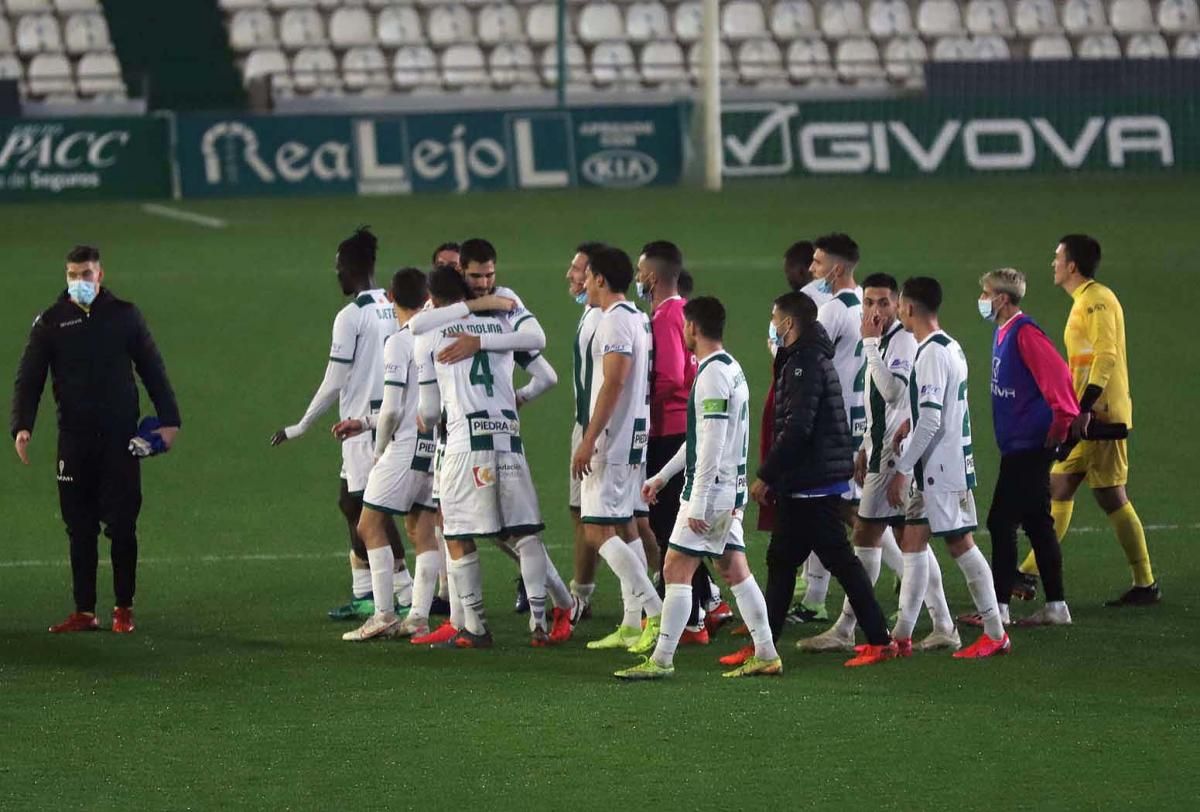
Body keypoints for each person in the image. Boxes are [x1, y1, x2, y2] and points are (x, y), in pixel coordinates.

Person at [404, 240, 575, 642]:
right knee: (523, 531)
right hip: (508, 437)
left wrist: (428, 417)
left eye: (490, 275)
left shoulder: (434, 328)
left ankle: (474, 625)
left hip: (465, 442)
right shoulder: (501, 312)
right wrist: (519, 396)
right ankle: (542, 616)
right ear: (462, 272)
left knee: (459, 532)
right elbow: (546, 373)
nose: (485, 283)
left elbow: (428, 409)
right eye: (477, 276)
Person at [11, 244, 180, 634]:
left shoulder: (124, 316)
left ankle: (124, 607)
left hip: (120, 439)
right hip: (74, 440)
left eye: (86, 274)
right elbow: (29, 378)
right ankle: (84, 610)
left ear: (100, 276)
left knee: (122, 525)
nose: (79, 282)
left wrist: (170, 420)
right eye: (72, 275)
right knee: (79, 526)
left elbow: (153, 369)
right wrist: (22, 425)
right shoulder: (50, 323)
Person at [619, 297, 781, 679]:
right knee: (734, 568)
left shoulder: (710, 376)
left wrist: (698, 503)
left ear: (691, 328)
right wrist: (662, 476)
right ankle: (767, 653)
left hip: (711, 493)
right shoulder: (730, 368)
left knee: (675, 567)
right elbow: (700, 438)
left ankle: (660, 661)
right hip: (729, 489)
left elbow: (710, 445)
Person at [800, 273, 958, 653]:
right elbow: (881, 405)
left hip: (894, 456)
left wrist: (870, 345)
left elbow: (893, 391)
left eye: (884, 303)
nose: (875, 310)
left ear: (898, 304)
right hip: (882, 450)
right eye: (869, 302)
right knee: (906, 538)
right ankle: (942, 624)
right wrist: (864, 446)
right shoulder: (887, 339)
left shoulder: (899, 340)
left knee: (868, 535)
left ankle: (847, 627)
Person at [270, 227, 412, 621]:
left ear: (352, 269)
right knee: (351, 502)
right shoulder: (395, 304)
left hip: (363, 426)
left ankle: (400, 591)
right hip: (389, 417)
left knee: (372, 511)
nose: (336, 275)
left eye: (338, 268)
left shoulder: (351, 316)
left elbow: (335, 380)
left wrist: (300, 426)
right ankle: (367, 590)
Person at [749, 292, 895, 668]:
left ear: (789, 324)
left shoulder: (805, 363)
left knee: (834, 561)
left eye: (774, 318)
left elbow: (797, 428)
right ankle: (766, 644)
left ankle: (880, 640)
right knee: (784, 560)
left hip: (811, 482)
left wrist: (767, 475)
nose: (772, 324)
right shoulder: (804, 358)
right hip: (810, 479)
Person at [1014, 235, 1158, 606]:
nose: (1053, 263)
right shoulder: (1086, 301)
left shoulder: (1097, 301)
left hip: (1098, 416)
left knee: (1100, 494)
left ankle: (1143, 582)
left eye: (1057, 257)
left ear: (1072, 266)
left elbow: (1106, 356)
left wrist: (1084, 407)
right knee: (1069, 488)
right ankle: (1028, 573)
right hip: (1086, 415)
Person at [885, 276, 1011, 660]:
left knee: (960, 544)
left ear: (908, 308)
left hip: (941, 469)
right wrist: (910, 423)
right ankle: (903, 634)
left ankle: (995, 632)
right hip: (939, 465)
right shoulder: (949, 346)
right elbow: (936, 410)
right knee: (913, 541)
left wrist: (904, 467)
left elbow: (933, 420)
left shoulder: (932, 354)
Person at [333, 268, 441, 641]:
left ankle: (383, 614)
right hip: (434, 445)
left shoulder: (399, 341)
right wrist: (364, 422)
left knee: (369, 525)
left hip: (404, 444)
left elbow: (395, 409)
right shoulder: (437, 336)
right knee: (421, 529)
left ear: (391, 297)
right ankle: (419, 617)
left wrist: (378, 450)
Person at [570, 246, 664, 654]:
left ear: (602, 280)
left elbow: (613, 382)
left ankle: (656, 613)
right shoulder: (638, 318)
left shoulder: (613, 322)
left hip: (611, 442)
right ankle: (630, 623)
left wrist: (588, 440)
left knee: (596, 530)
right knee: (625, 528)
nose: (584, 284)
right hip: (632, 438)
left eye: (588, 277)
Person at [973, 267, 1077, 627]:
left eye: (986, 294)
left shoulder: (1025, 333)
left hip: (1030, 445)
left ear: (1001, 299)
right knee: (1036, 521)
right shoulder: (1004, 331)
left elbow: (1060, 380)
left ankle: (998, 608)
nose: (982, 300)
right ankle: (1056, 607)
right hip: (1018, 443)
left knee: (1000, 521)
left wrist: (1060, 427)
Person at [636, 240, 728, 642]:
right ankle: (708, 602)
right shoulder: (680, 312)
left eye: (641, 273)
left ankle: (695, 614)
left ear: (652, 277)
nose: (638, 279)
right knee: (674, 525)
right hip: (679, 426)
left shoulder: (662, 317)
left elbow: (672, 376)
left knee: (668, 525)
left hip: (668, 427)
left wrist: (635, 398)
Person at [790, 233, 869, 625]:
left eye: (819, 263)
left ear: (836, 269)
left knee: (851, 512)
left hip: (833, 421)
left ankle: (911, 582)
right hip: (858, 418)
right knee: (832, 507)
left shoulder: (834, 310)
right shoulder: (867, 306)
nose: (812, 269)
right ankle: (815, 598)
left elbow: (806, 355)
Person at [565, 241, 608, 621]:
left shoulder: (604, 320)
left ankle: (672, 590)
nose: (570, 275)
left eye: (577, 269)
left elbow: (612, 383)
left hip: (599, 431)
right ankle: (581, 592)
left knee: (613, 523)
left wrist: (591, 437)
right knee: (582, 514)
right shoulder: (590, 314)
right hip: (586, 426)